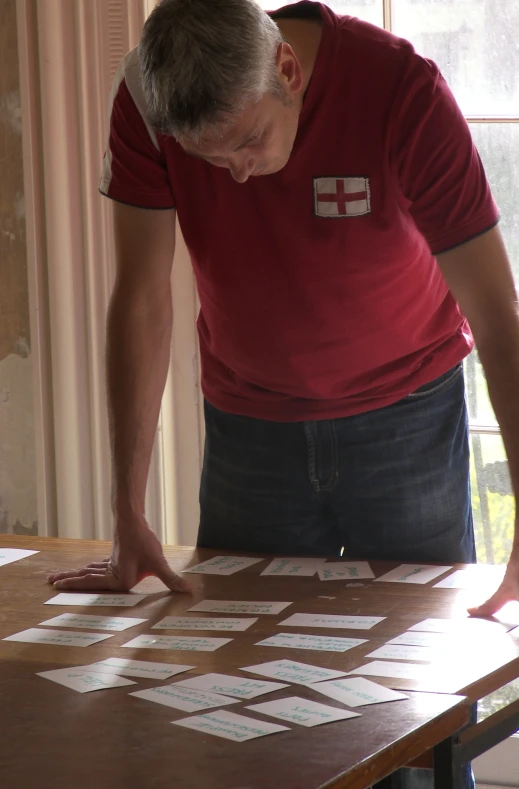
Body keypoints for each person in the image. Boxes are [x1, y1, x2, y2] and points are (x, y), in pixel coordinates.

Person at [47, 2, 519, 785]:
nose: (230, 174)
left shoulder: (401, 91)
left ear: (288, 73)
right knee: (237, 710)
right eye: (204, 158)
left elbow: (498, 319)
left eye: (245, 142)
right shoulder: (147, 97)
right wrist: (127, 511)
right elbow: (140, 299)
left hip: (404, 415)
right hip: (247, 426)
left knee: (413, 710)